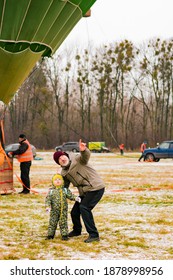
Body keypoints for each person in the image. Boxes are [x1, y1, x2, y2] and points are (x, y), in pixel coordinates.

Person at [53, 139, 105, 243]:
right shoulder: (64, 173)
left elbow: (85, 157)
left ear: (66, 155)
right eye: (59, 159)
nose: (62, 159)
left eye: (62, 156)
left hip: (95, 187)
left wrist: (84, 150)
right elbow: (64, 187)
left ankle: (94, 235)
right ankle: (77, 231)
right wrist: (55, 187)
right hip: (85, 192)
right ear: (58, 163)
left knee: (84, 208)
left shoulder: (77, 159)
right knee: (74, 212)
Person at [45, 174, 81, 240]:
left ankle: (64, 235)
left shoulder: (65, 190)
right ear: (53, 182)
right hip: (54, 211)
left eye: (59, 179)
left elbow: (70, 196)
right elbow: (48, 200)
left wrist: (76, 198)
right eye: (56, 180)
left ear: (62, 181)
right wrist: (47, 207)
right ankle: (50, 235)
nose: (58, 181)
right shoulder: (51, 191)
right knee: (52, 222)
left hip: (63, 211)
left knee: (63, 222)